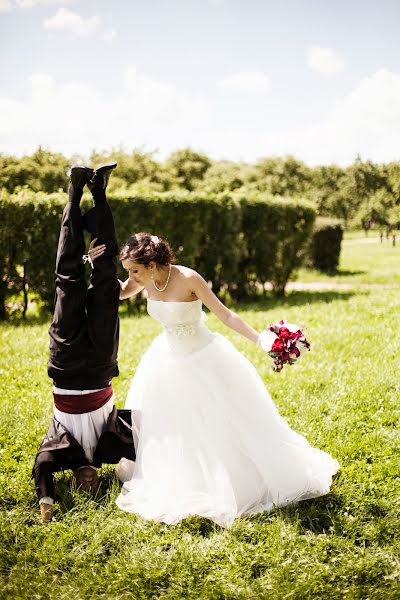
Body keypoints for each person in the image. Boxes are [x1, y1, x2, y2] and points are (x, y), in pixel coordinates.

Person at [113, 232, 340, 528]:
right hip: (166, 359)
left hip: (203, 356)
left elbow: (226, 315)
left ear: (153, 263)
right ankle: (181, 476)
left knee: (220, 420)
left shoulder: (188, 279)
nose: (131, 277)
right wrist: (93, 265)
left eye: (134, 270)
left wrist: (261, 340)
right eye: (128, 271)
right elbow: (118, 291)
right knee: (172, 423)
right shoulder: (142, 280)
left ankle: (234, 479)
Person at [33, 163, 135, 523]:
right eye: (95, 486)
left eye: (83, 487)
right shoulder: (113, 450)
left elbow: (42, 468)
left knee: (68, 278)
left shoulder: (59, 456)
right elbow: (149, 449)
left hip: (65, 362)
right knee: (107, 279)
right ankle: (99, 190)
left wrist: (47, 505)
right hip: (101, 365)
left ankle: (75, 189)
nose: (90, 482)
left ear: (73, 483)